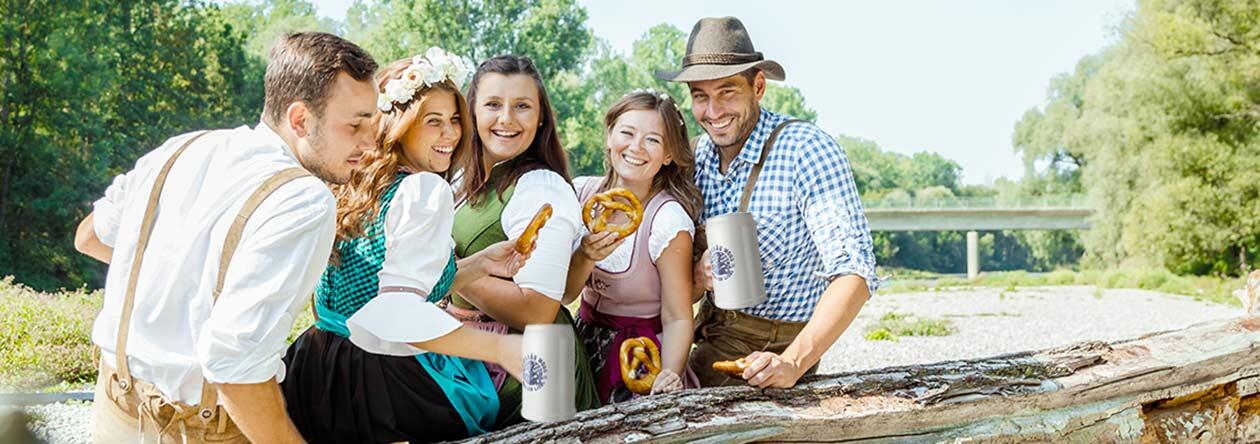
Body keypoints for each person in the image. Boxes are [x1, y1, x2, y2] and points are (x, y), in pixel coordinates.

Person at [72, 32, 377, 443]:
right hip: (200, 429)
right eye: (355, 124)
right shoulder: (304, 200)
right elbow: (235, 366)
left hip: (115, 404)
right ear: (300, 119)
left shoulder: (182, 148)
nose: (370, 143)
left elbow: (90, 236)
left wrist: (182, 285)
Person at [280, 49, 531, 443]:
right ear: (401, 124)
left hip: (320, 364)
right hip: (382, 379)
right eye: (434, 122)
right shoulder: (424, 189)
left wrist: (477, 264)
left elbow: (374, 285)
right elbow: (394, 311)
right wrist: (501, 348)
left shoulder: (353, 182)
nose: (451, 135)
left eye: (453, 120)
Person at [656, 17, 878, 389]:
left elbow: (854, 274)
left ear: (757, 86)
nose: (713, 111)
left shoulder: (806, 150)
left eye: (727, 92)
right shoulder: (693, 159)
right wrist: (696, 277)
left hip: (779, 358)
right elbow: (672, 282)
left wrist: (791, 363)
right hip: (708, 346)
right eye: (700, 96)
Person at [448, 54, 600, 427]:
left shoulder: (541, 188)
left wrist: (446, 272)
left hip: (531, 373)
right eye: (493, 104)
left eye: (522, 106)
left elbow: (539, 310)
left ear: (542, 116)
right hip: (472, 356)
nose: (506, 119)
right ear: (472, 112)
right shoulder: (461, 181)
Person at [562, 90, 702, 404]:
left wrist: (670, 373)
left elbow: (678, 315)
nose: (636, 147)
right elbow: (566, 295)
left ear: (668, 155)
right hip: (582, 344)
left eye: (653, 139)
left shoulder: (667, 219)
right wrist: (584, 255)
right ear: (610, 136)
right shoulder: (579, 193)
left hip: (642, 356)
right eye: (627, 133)